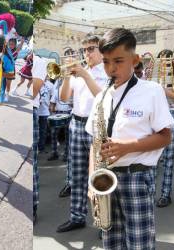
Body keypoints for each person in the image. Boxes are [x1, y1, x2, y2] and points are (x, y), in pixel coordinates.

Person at [86, 28, 174, 250]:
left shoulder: (151, 90)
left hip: (136, 178)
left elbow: (165, 137)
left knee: (139, 244)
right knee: (111, 243)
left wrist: (127, 147)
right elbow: (94, 143)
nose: (111, 69)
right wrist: (91, 181)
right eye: (106, 62)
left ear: (135, 60)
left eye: (118, 61)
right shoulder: (101, 97)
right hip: (105, 180)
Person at [57, 34, 108, 232]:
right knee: (76, 175)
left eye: (91, 48)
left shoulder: (107, 73)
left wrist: (85, 76)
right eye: (84, 50)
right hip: (76, 125)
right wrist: (68, 76)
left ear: (101, 51)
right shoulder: (80, 72)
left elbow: (103, 98)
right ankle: (77, 217)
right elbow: (63, 98)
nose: (87, 53)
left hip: (96, 126)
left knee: (99, 176)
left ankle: (103, 220)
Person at [156, 50, 174, 207]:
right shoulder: (155, 75)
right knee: (169, 158)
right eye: (163, 61)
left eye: (168, 60)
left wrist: (166, 91)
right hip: (168, 116)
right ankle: (165, 194)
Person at [32, 54, 48, 223]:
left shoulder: (40, 61)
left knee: (34, 161)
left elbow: (35, 88)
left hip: (34, 110)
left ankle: (34, 206)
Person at [37, 76, 55, 153]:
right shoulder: (36, 81)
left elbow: (52, 97)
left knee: (43, 131)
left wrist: (51, 108)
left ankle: (41, 148)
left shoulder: (50, 85)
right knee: (36, 131)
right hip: (36, 111)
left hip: (45, 112)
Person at [4, 37, 24, 102]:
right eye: (9, 44)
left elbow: (20, 47)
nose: (11, 45)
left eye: (12, 44)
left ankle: (7, 96)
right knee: (2, 82)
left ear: (15, 45)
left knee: (8, 83)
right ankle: (2, 94)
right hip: (3, 68)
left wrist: (22, 41)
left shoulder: (16, 51)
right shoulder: (6, 50)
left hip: (10, 69)